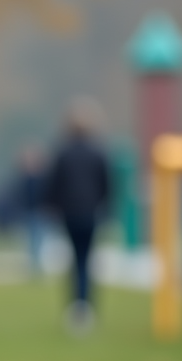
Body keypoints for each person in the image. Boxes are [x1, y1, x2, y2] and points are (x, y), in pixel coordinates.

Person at [45, 98, 110, 332]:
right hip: (90, 212)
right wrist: (104, 206)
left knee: (75, 260)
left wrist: (53, 207)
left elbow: (53, 184)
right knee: (86, 261)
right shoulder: (97, 152)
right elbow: (106, 184)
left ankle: (76, 307)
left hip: (70, 214)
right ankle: (85, 307)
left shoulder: (62, 153)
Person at [14, 145, 47, 274]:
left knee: (38, 240)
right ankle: (33, 266)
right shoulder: (25, 178)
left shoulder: (41, 178)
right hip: (29, 212)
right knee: (30, 240)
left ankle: (37, 265)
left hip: (40, 212)